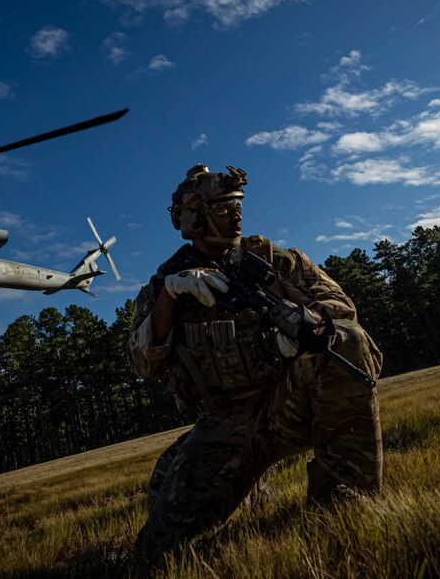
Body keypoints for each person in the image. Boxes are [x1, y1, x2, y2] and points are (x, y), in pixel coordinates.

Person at [128, 164, 383, 562]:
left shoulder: (275, 261)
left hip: (287, 403)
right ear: (194, 218)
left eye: (238, 204)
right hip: (223, 425)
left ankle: (343, 497)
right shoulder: (164, 286)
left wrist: (306, 323)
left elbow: (343, 307)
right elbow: (145, 365)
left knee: (346, 339)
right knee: (157, 553)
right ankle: (247, 491)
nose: (236, 214)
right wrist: (171, 299)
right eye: (223, 206)